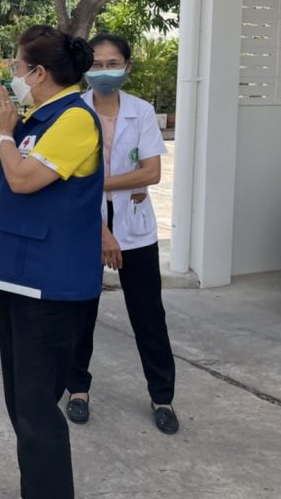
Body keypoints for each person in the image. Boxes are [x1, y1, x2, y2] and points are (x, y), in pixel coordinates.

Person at [0, 25, 109, 499]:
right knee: (21, 401)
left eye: (16, 65)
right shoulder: (41, 117)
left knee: (36, 407)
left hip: (50, 284)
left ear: (38, 73)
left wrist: (4, 134)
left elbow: (22, 179)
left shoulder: (74, 119)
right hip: (20, 273)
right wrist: (9, 133)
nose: (12, 74)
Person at [65, 33, 179, 434]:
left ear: (128, 67)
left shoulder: (141, 112)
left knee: (148, 316)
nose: (104, 72)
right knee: (80, 313)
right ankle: (78, 390)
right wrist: (104, 199)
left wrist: (96, 183)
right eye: (95, 65)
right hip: (86, 227)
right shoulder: (74, 112)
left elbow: (152, 172)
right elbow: (66, 179)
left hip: (135, 230)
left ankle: (162, 397)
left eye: (112, 64)